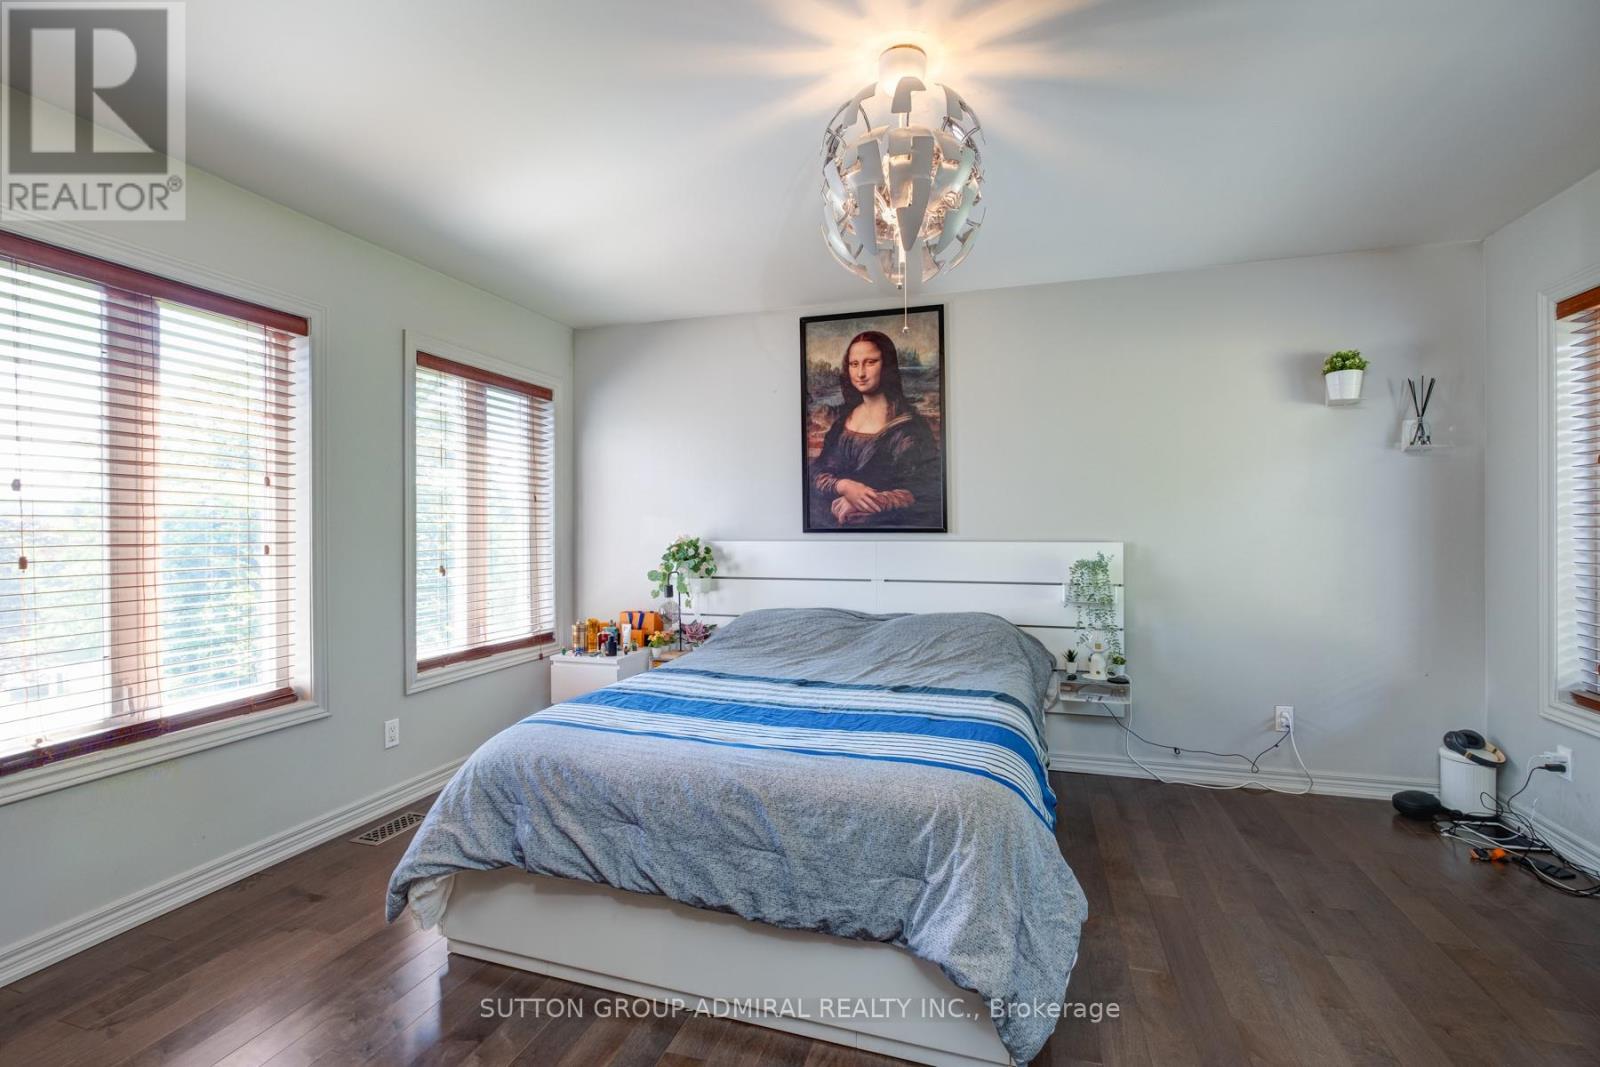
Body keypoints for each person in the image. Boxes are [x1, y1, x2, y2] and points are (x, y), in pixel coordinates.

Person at [808, 330, 942, 528]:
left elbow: (926, 490)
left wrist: (868, 503)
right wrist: (844, 486)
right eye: (854, 364)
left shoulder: (910, 428)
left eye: (870, 362)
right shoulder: (843, 421)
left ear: (886, 365)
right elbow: (817, 472)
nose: (861, 373)